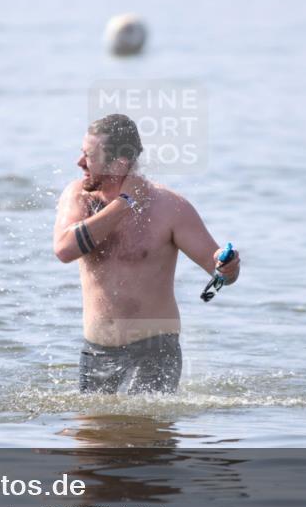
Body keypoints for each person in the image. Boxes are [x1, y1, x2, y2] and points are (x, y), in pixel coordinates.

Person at [53, 114, 240, 395]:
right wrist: (124, 203)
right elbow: (65, 250)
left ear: (120, 163)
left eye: (89, 156)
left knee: (141, 432)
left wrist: (227, 267)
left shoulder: (170, 207)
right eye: (82, 153)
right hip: (95, 354)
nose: (80, 163)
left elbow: (219, 270)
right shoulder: (79, 196)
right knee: (92, 437)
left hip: (154, 352)